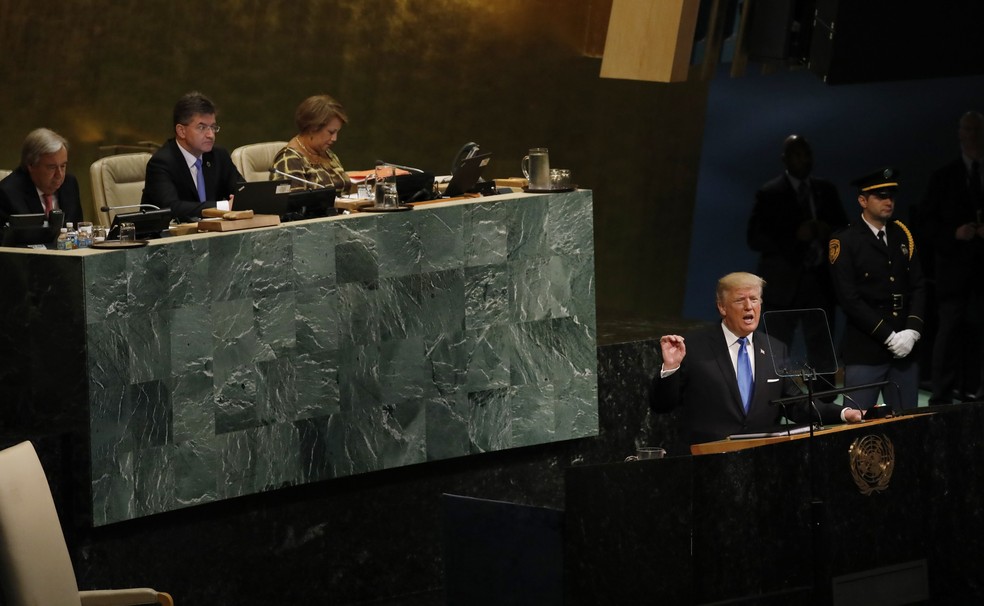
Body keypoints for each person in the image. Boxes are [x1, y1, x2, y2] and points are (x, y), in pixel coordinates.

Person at [650, 272, 862, 446]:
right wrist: (671, 368)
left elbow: (795, 404)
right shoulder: (694, 347)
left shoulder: (775, 348)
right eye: (740, 300)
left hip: (761, 459)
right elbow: (662, 405)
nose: (749, 307)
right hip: (709, 459)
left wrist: (843, 413)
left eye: (754, 299)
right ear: (722, 307)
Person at [829, 168, 927, 411]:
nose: (888, 201)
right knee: (857, 430)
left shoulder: (902, 234)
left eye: (891, 196)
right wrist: (888, 336)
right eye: (881, 196)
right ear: (862, 200)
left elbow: (918, 286)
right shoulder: (845, 241)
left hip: (905, 350)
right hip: (866, 349)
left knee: (907, 425)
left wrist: (912, 331)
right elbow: (849, 299)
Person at [747, 135, 848, 342]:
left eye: (807, 155)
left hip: (821, 285)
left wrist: (827, 231)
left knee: (822, 355)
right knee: (775, 352)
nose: (804, 160)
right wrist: (794, 236)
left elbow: (845, 231)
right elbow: (755, 238)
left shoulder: (826, 191)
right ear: (785, 159)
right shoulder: (770, 193)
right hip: (782, 287)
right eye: (797, 155)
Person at [921, 111, 984, 404]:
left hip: (981, 273)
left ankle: (974, 392)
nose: (972, 135)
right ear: (960, 134)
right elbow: (927, 226)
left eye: (977, 130)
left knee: (977, 335)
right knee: (949, 335)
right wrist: (955, 233)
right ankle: (942, 398)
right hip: (954, 273)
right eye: (967, 130)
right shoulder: (944, 177)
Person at [141, 91, 243, 220]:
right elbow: (171, 207)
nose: (210, 135)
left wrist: (241, 200)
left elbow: (243, 192)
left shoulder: (218, 156)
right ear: (181, 131)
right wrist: (224, 207)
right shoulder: (162, 162)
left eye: (213, 127)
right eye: (202, 127)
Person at [0, 128, 83, 226]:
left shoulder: (69, 184)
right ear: (31, 165)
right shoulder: (8, 194)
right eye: (52, 167)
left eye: (63, 166)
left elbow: (78, 230)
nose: (59, 175)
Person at [270, 94, 350, 192]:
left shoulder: (327, 153)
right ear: (313, 128)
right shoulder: (289, 159)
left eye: (337, 132)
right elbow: (295, 203)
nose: (334, 138)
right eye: (331, 132)